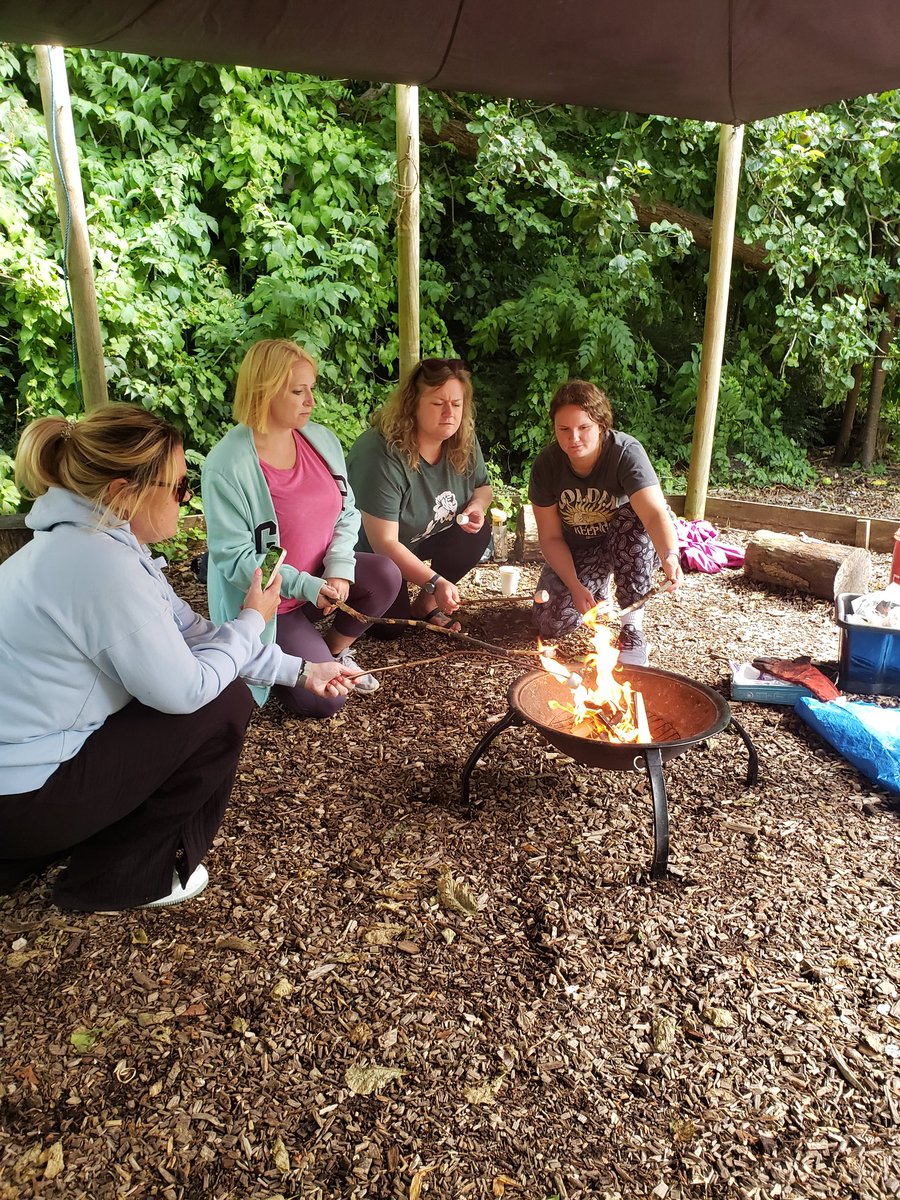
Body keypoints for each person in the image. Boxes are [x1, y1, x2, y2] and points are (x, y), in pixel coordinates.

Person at [0, 405, 356, 912]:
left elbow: (192, 633)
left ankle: (69, 843)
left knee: (219, 682)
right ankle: (116, 879)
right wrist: (254, 618)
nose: (187, 500)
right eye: (178, 487)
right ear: (126, 492)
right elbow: (186, 690)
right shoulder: (98, 565)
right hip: (20, 804)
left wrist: (301, 670)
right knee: (224, 703)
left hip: (17, 789)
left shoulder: (92, 544)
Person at [202, 340, 402, 718]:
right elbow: (236, 559)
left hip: (320, 584)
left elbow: (346, 512)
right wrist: (306, 586)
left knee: (386, 575)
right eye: (298, 391)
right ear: (264, 390)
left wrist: (339, 569)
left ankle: (333, 651)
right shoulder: (226, 465)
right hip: (272, 606)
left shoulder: (321, 439)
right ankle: (279, 665)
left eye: (312, 388)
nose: (311, 400)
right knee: (327, 700)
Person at [528, 379, 683, 665]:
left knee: (631, 520)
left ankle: (632, 627)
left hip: (628, 542)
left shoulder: (625, 452)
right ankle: (596, 587)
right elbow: (550, 537)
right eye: (564, 429)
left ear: (601, 425)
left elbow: (653, 513)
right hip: (580, 549)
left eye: (583, 428)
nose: (573, 438)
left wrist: (670, 555)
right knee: (551, 622)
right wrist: (575, 585)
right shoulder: (546, 466)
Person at [346, 358, 493, 634]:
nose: (449, 413)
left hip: (419, 537)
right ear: (412, 404)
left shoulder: (462, 438)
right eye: (438, 404)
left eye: (457, 404)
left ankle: (426, 605)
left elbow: (483, 488)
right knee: (389, 630)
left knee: (478, 531)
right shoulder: (381, 454)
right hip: (369, 553)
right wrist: (436, 581)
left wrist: (476, 506)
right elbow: (384, 543)